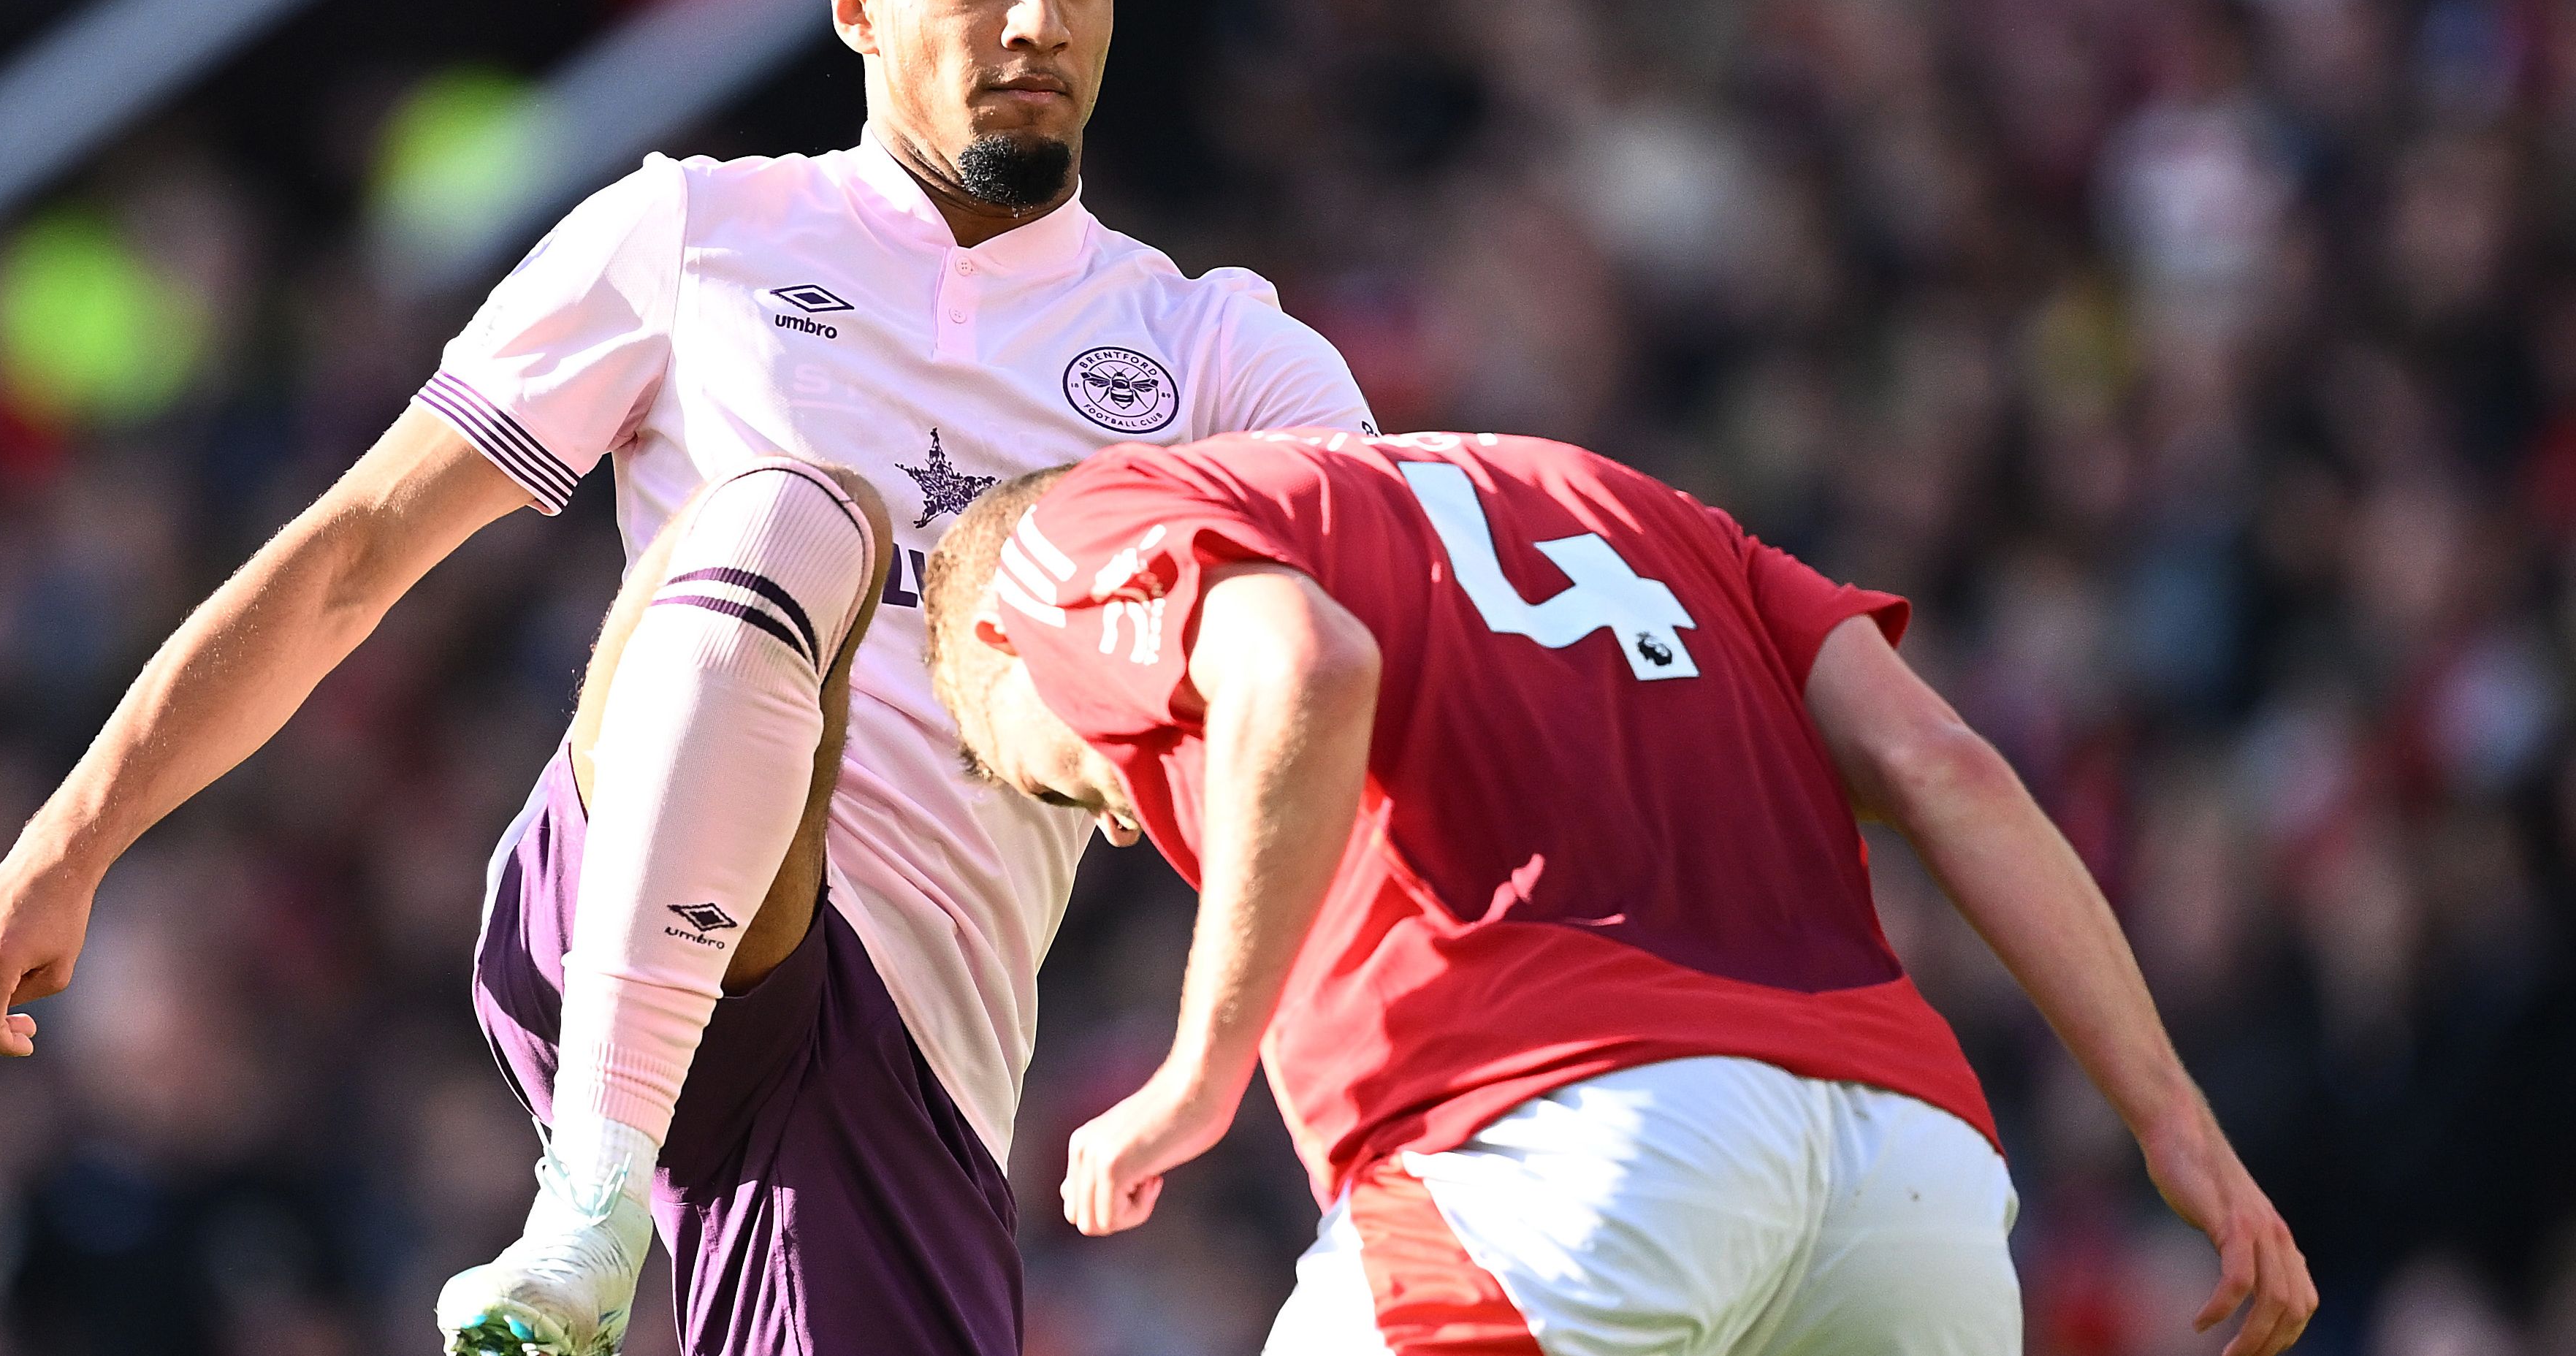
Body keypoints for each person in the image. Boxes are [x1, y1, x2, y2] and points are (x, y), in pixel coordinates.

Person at [0, 0, 1372, 1356]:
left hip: (916, 1054)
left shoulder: (1216, 348)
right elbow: (352, 555)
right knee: (791, 515)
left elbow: (1412, 646)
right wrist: (66, 845)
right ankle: (584, 1202)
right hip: (614, 905)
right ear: (857, 6)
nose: (1038, 20)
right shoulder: (695, 233)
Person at [921, 429, 2317, 1356]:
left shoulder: (1078, 533)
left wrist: (1197, 1073)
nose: (1107, 819)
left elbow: (1303, 666)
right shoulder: (1644, 508)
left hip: (1561, 1150)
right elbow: (1943, 763)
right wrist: (2171, 1117)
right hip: (1917, 1182)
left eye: (1041, 780)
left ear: (995, 639)